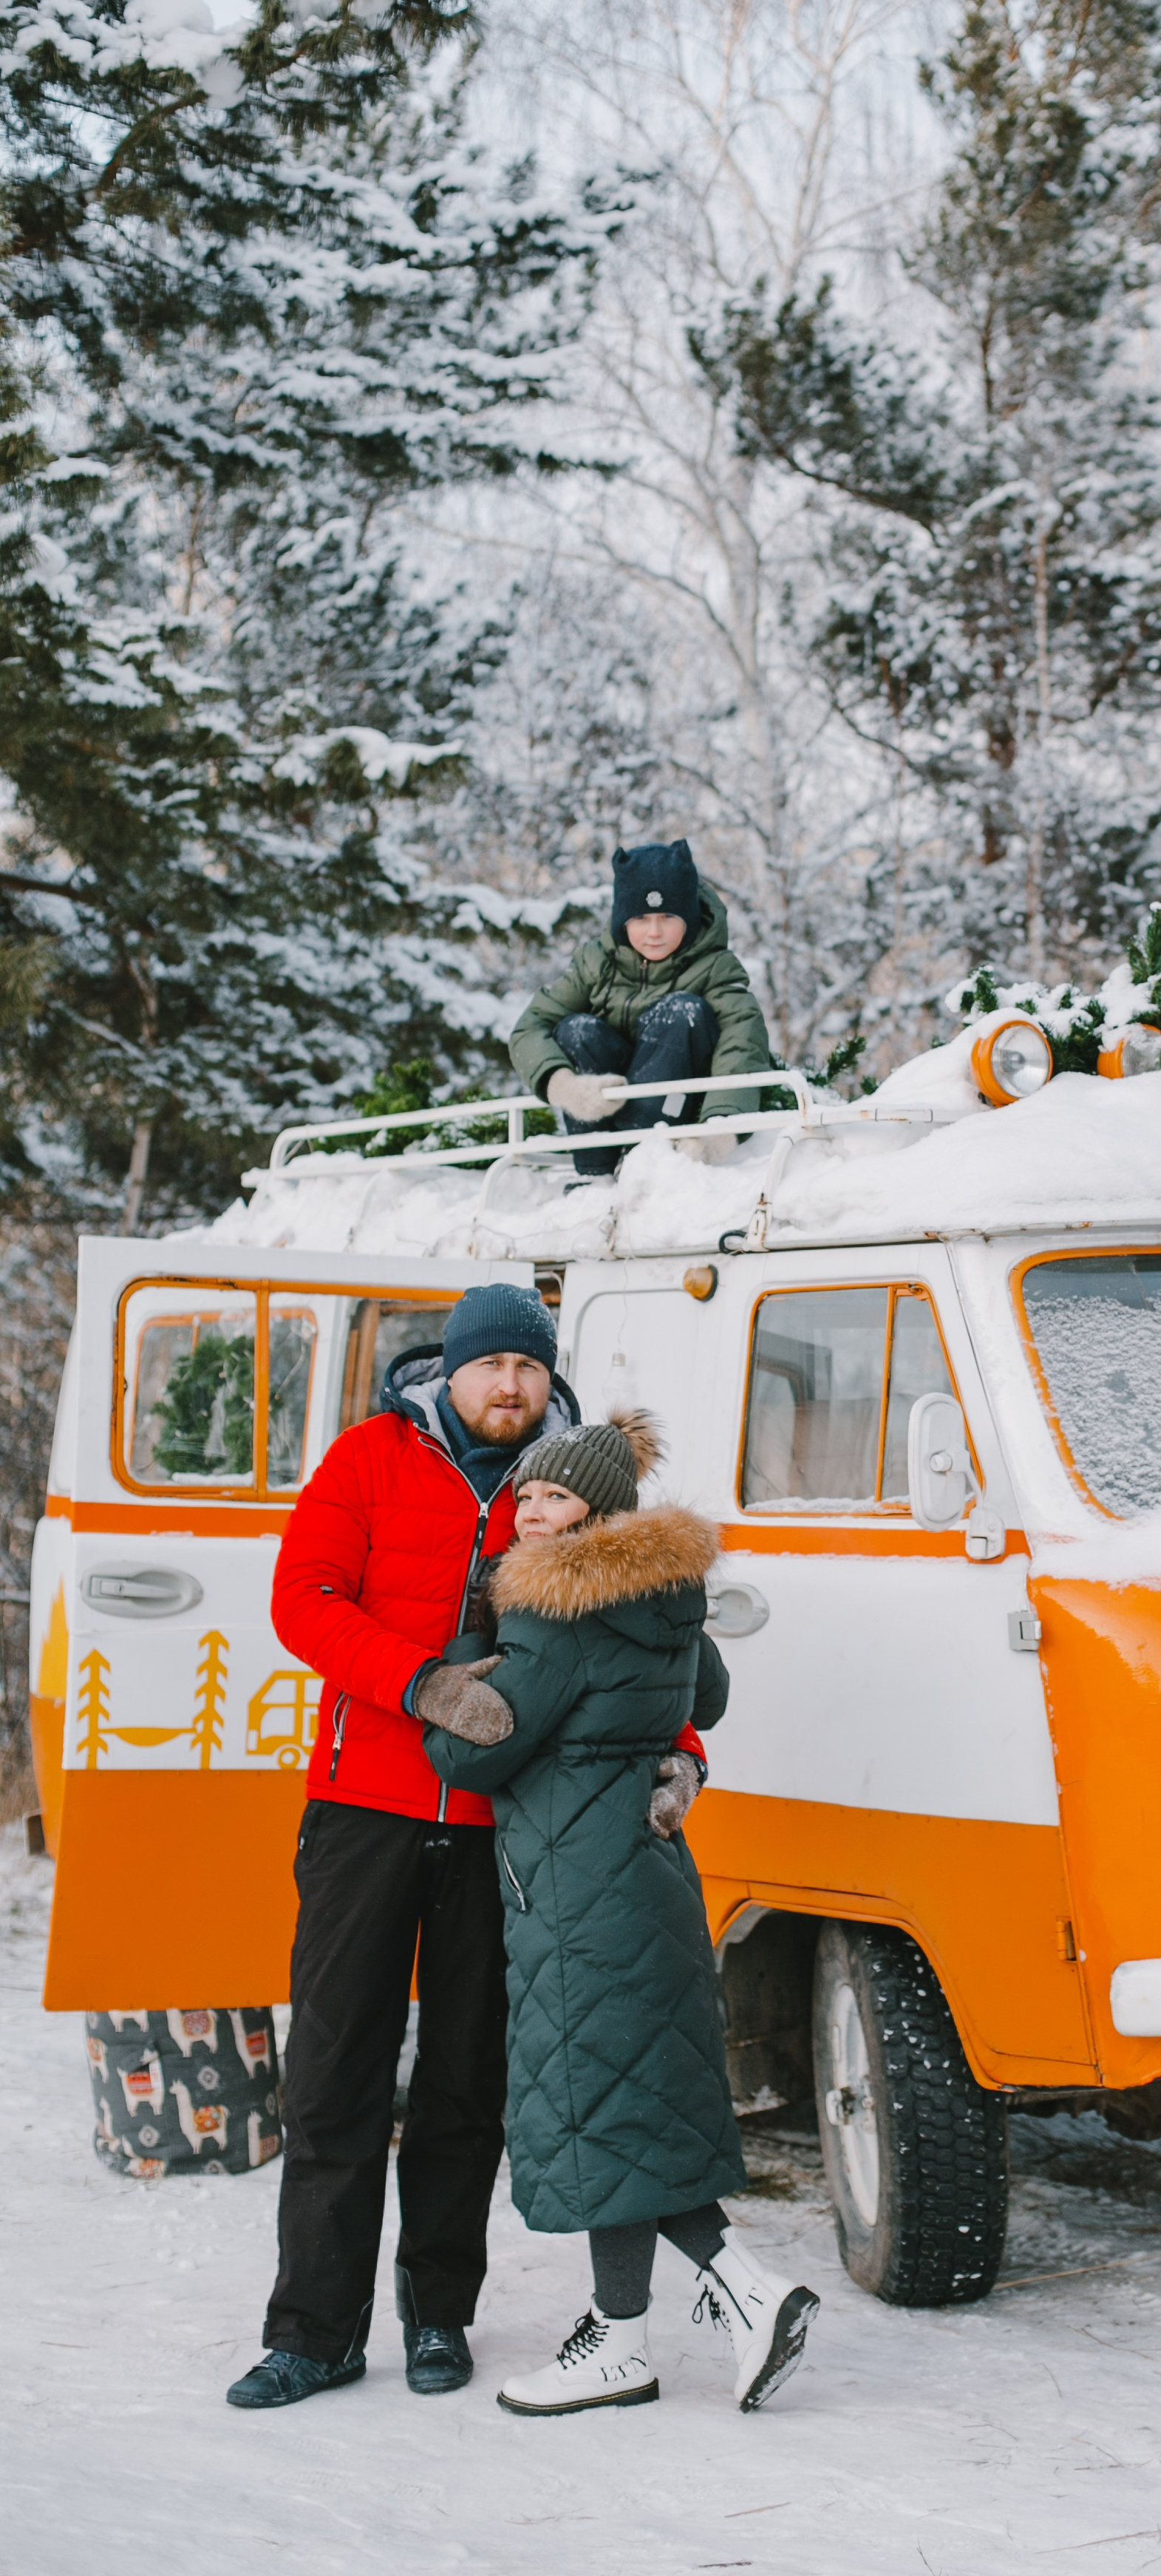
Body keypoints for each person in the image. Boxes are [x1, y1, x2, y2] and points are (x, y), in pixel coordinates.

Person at [225, 1283, 710, 2413]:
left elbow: (648, 1621)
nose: (509, 1387)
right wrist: (418, 1682)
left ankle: (438, 2315)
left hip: (513, 1833)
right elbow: (304, 1599)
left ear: (549, 1378)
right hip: (365, 1812)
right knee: (336, 2072)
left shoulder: (578, 1486)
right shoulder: (369, 1460)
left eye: (529, 1370)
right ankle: (313, 2332)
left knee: (466, 2080)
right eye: (491, 1366)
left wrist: (679, 1751)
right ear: (451, 1369)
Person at [424, 1409, 819, 2418]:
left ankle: (740, 2290)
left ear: (596, 1509)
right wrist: (660, 1743)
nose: (531, 1513)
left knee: (602, 2107)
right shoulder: (664, 1591)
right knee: (622, 2104)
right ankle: (625, 2340)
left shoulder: (554, 1607)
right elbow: (710, 1695)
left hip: (573, 1882)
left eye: (554, 1496)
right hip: (642, 1869)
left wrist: (458, 1658)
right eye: (525, 1495)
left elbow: (474, 1750)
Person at [509, 837, 773, 1175]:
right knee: (576, 1030)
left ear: (689, 917)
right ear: (623, 920)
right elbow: (530, 1027)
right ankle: (596, 1172)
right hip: (606, 1114)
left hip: (677, 1113)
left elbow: (743, 1042)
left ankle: (645, 1160)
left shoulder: (715, 968)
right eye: (641, 918)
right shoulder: (597, 963)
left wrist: (719, 1129)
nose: (654, 932)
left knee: (683, 1012)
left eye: (667, 916)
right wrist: (566, 1087)